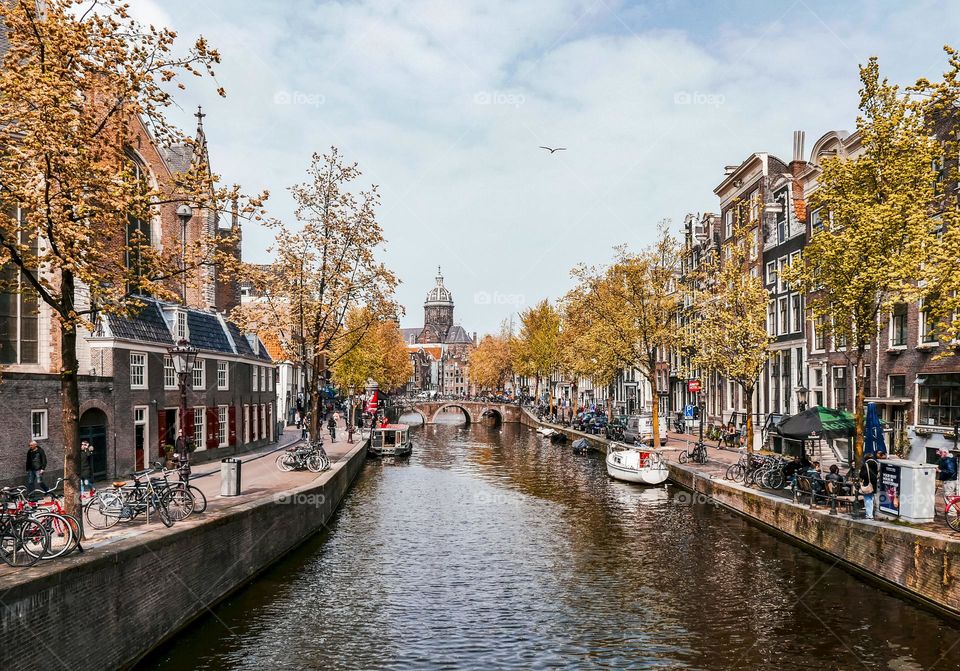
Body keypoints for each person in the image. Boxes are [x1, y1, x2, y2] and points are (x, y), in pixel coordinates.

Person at [860, 452, 881, 520]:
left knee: (867, 499)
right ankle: (871, 513)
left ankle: (869, 515)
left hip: (867, 484)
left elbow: (862, 475)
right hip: (874, 484)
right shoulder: (876, 464)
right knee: (872, 498)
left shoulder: (865, 465)